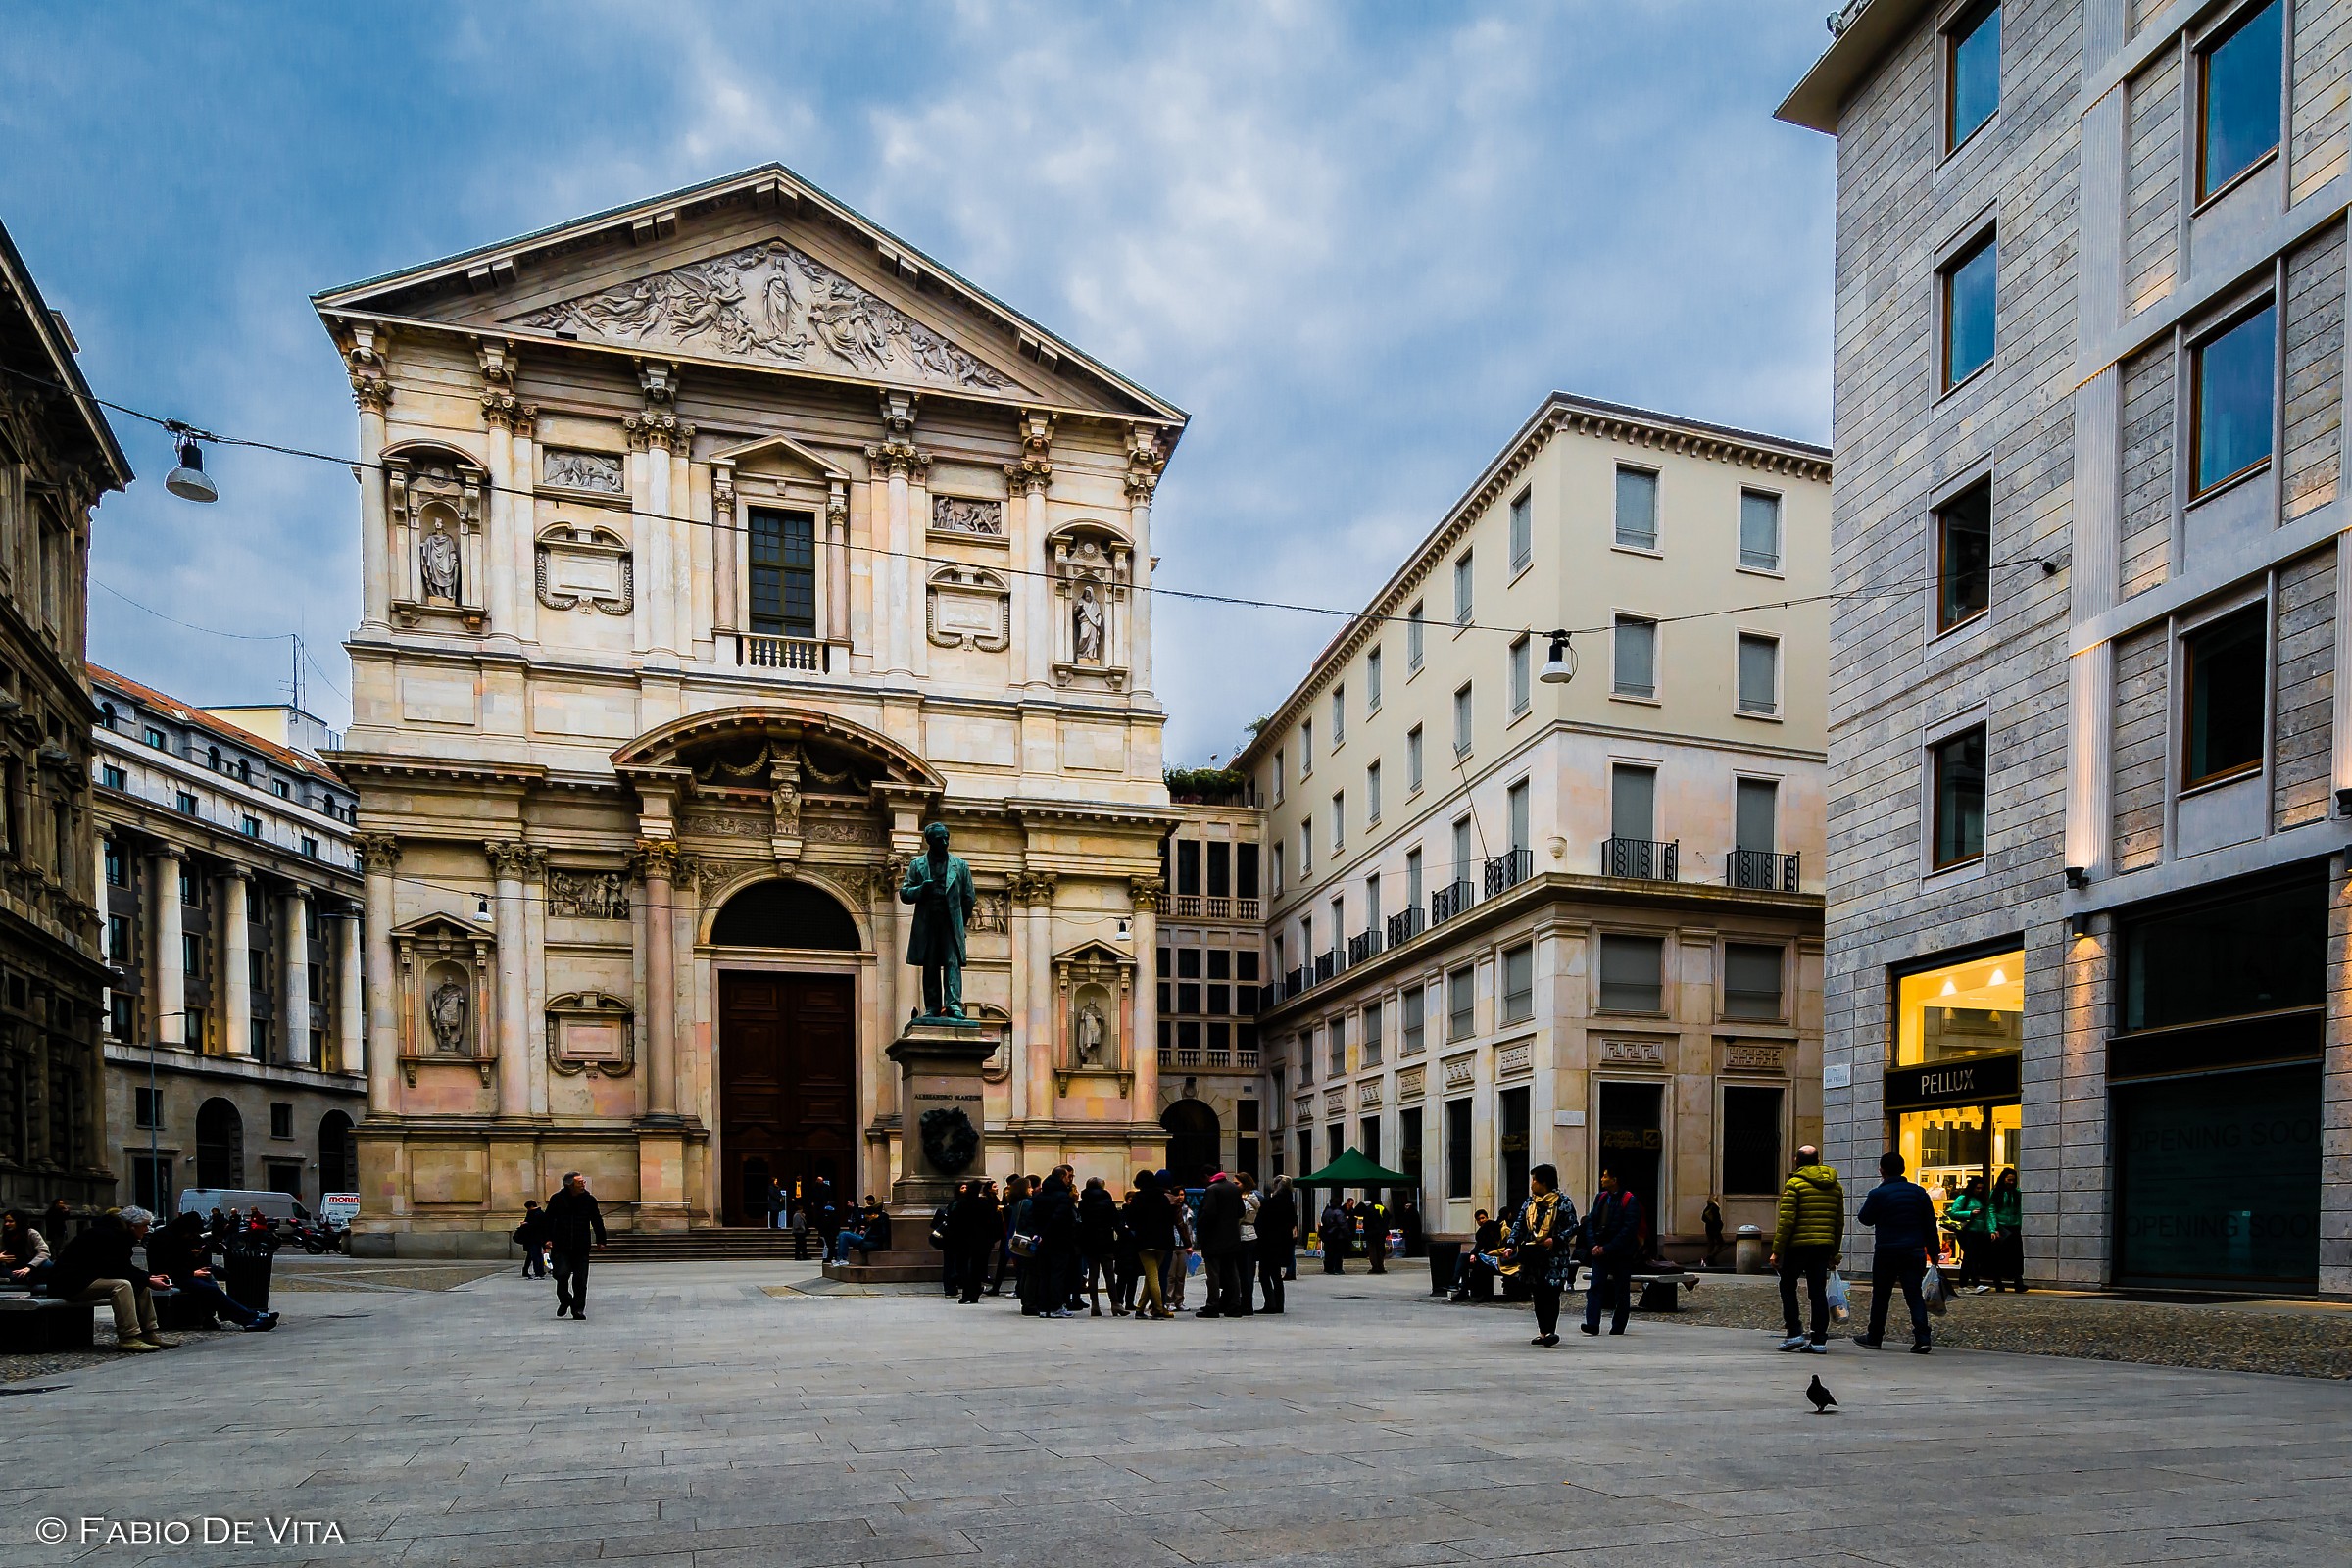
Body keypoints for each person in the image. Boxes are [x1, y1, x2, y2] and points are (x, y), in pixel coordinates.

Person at [50, 1207, 170, 1351]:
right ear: (133, 1226)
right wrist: (147, 1279)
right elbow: (114, 1268)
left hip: (86, 1279)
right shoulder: (106, 1236)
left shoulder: (119, 1235)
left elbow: (122, 1266)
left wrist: (148, 1278)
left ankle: (148, 1332)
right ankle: (128, 1337)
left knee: (140, 1285)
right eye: (144, 1225)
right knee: (122, 1285)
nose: (147, 1230)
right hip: (70, 1284)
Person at [1852, 1152, 1936, 1354]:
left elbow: (1865, 1218)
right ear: (1903, 1169)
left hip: (1887, 1250)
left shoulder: (1878, 1194)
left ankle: (1875, 1336)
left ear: (1881, 1171)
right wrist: (1934, 1252)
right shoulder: (1919, 1193)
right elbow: (1930, 1224)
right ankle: (1923, 1337)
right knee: (1914, 1294)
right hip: (1914, 1250)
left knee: (1881, 1295)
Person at [145, 1212, 279, 1332]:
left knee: (210, 1282)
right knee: (209, 1288)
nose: (191, 1236)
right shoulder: (163, 1238)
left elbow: (199, 1255)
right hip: (169, 1276)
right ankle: (249, 1317)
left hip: (185, 1272)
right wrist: (192, 1272)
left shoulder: (186, 1236)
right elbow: (165, 1266)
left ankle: (235, 1315)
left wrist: (197, 1258)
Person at [1771, 1146, 1844, 1354]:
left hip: (1798, 1245)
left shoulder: (1794, 1185)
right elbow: (1839, 1223)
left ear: (1796, 1161)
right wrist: (1834, 1252)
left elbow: (1787, 1222)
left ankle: (1794, 1331)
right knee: (1817, 1292)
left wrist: (1777, 1250)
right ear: (1818, 1161)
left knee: (1787, 1285)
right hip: (1823, 1246)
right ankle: (1819, 1339)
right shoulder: (1835, 1187)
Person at [1499, 1165, 1578, 1347]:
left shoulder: (1562, 1202)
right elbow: (1519, 1225)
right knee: (1538, 1293)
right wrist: (1510, 1245)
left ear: (1544, 1182)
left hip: (1554, 1257)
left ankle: (1551, 1330)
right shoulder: (1530, 1203)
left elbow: (1573, 1226)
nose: (1532, 1183)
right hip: (1532, 1255)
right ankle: (1543, 1332)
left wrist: (1556, 1240)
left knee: (1551, 1293)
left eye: (1534, 1179)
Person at [1581, 1170, 1643, 1337]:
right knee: (1595, 1287)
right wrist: (1594, 1245)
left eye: (1605, 1176)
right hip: (1600, 1251)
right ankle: (1592, 1323)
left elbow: (1628, 1230)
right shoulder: (1601, 1198)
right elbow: (1590, 1222)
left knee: (1621, 1290)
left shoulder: (1629, 1200)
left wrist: (1607, 1248)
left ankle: (1619, 1325)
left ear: (1614, 1180)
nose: (1602, 1179)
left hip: (1620, 1253)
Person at [544, 1171, 606, 1320]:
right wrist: (546, 1239)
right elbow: (548, 1220)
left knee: (580, 1279)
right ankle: (565, 1300)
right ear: (570, 1185)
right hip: (561, 1244)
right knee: (560, 1275)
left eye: (583, 1182)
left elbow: (596, 1220)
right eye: (580, 1182)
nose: (583, 1185)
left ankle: (578, 1309)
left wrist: (601, 1239)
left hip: (581, 1245)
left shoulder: (589, 1200)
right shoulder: (557, 1199)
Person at [1124, 1170, 1176, 1319]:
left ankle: (1158, 1308)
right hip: (1163, 1242)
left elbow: (1131, 1221)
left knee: (1152, 1276)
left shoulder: (1138, 1199)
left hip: (1144, 1241)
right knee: (1151, 1276)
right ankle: (1140, 1309)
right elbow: (1170, 1219)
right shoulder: (1163, 1198)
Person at [1194, 1171, 1246, 1317]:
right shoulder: (1234, 1189)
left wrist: (1201, 1228)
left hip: (1214, 1239)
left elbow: (1208, 1213)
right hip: (1232, 1238)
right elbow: (1241, 1212)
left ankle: (1213, 1306)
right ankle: (1235, 1306)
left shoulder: (1212, 1190)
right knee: (1232, 1273)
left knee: (1213, 1274)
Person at [950, 1181, 1002, 1305]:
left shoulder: (962, 1204)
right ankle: (975, 1293)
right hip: (981, 1241)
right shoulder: (984, 1203)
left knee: (964, 1267)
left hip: (964, 1240)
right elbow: (993, 1222)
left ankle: (967, 1294)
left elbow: (954, 1222)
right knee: (976, 1268)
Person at [1078, 1177, 1122, 1315]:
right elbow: (1116, 1220)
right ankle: (1115, 1304)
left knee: (1093, 1274)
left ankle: (1095, 1305)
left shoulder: (1083, 1203)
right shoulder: (1107, 1201)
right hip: (1106, 1240)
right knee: (1109, 1273)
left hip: (1089, 1240)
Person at [1944, 1173, 1991, 1293]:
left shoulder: (1981, 1200)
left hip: (1978, 1231)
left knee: (1972, 1257)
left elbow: (1987, 1216)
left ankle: (1965, 1284)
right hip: (1967, 1231)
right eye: (1977, 1188)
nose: (1979, 1190)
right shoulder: (1963, 1198)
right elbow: (1953, 1212)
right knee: (1970, 1256)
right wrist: (1969, 1213)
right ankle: (1973, 1283)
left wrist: (1990, 1229)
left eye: (1981, 1188)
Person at [1255, 1175, 1296, 1314]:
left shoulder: (1270, 1203)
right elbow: (1292, 1222)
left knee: (1264, 1275)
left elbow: (1260, 1223)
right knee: (1276, 1275)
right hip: (1282, 1244)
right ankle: (1279, 1304)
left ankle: (1270, 1303)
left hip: (1268, 1244)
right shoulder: (1289, 1203)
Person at [1450, 1209, 1505, 1301]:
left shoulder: (1493, 1227)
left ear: (1487, 1218)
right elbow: (1479, 1246)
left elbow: (1498, 1247)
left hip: (1496, 1260)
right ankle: (1457, 1285)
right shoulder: (1483, 1231)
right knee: (1464, 1258)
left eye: (1483, 1218)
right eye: (1478, 1219)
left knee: (1469, 1262)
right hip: (1487, 1258)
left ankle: (1460, 1288)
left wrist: (1477, 1254)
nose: (1481, 1220)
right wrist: (1473, 1254)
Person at [1988, 1168, 2025, 1292]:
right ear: (2003, 1179)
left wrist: (2019, 1224)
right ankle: (1998, 1282)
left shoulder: (2017, 1192)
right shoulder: (1996, 1192)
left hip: (2014, 1226)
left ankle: (2018, 1281)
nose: (2011, 1182)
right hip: (2001, 1226)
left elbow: (2019, 1209)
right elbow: (1991, 1210)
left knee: (2017, 1255)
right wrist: (1994, 1228)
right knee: (1999, 1256)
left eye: (2013, 1180)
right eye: (2009, 1179)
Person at [2, 1208, 51, 1287]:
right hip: (13, 1269)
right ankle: (20, 1278)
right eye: (6, 1221)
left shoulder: (31, 1233)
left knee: (47, 1264)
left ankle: (28, 1279)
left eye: (11, 1221)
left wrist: (29, 1267)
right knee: (14, 1276)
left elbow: (44, 1252)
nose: (7, 1224)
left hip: (30, 1267)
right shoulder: (4, 1236)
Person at [514, 1200, 549, 1279]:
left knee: (535, 1256)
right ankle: (540, 1272)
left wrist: (526, 1224)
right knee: (538, 1255)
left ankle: (538, 1273)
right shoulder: (541, 1214)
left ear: (531, 1207)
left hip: (531, 1238)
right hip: (539, 1238)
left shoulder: (532, 1214)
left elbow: (533, 1226)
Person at [1320, 1195, 1348, 1275]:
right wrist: (1347, 1234)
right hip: (1337, 1235)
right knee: (1338, 1253)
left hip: (1328, 1235)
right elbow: (1343, 1224)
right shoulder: (1338, 1212)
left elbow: (1323, 1221)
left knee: (1329, 1252)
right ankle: (1337, 1268)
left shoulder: (1326, 1211)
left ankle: (1328, 1268)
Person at [1360, 1195, 1387, 1274]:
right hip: (1381, 1233)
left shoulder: (1369, 1209)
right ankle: (1381, 1266)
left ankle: (1375, 1267)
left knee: (1373, 1250)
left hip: (1371, 1233)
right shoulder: (1382, 1208)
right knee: (1380, 1250)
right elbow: (1388, 1218)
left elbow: (1366, 1222)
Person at [1394, 1195, 1424, 1259]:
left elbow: (1407, 1222)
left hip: (1410, 1231)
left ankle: (1411, 1253)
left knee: (1410, 1243)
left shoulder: (1410, 1213)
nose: (1406, 1207)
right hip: (1413, 1231)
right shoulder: (1413, 1212)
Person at [1701, 1197, 1726, 1268]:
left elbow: (1703, 1218)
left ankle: (1710, 1260)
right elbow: (1716, 1219)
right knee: (1720, 1243)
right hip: (1714, 1228)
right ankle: (1710, 1257)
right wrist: (1719, 1225)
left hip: (1708, 1228)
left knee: (1711, 1243)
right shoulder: (1714, 1207)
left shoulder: (1708, 1207)